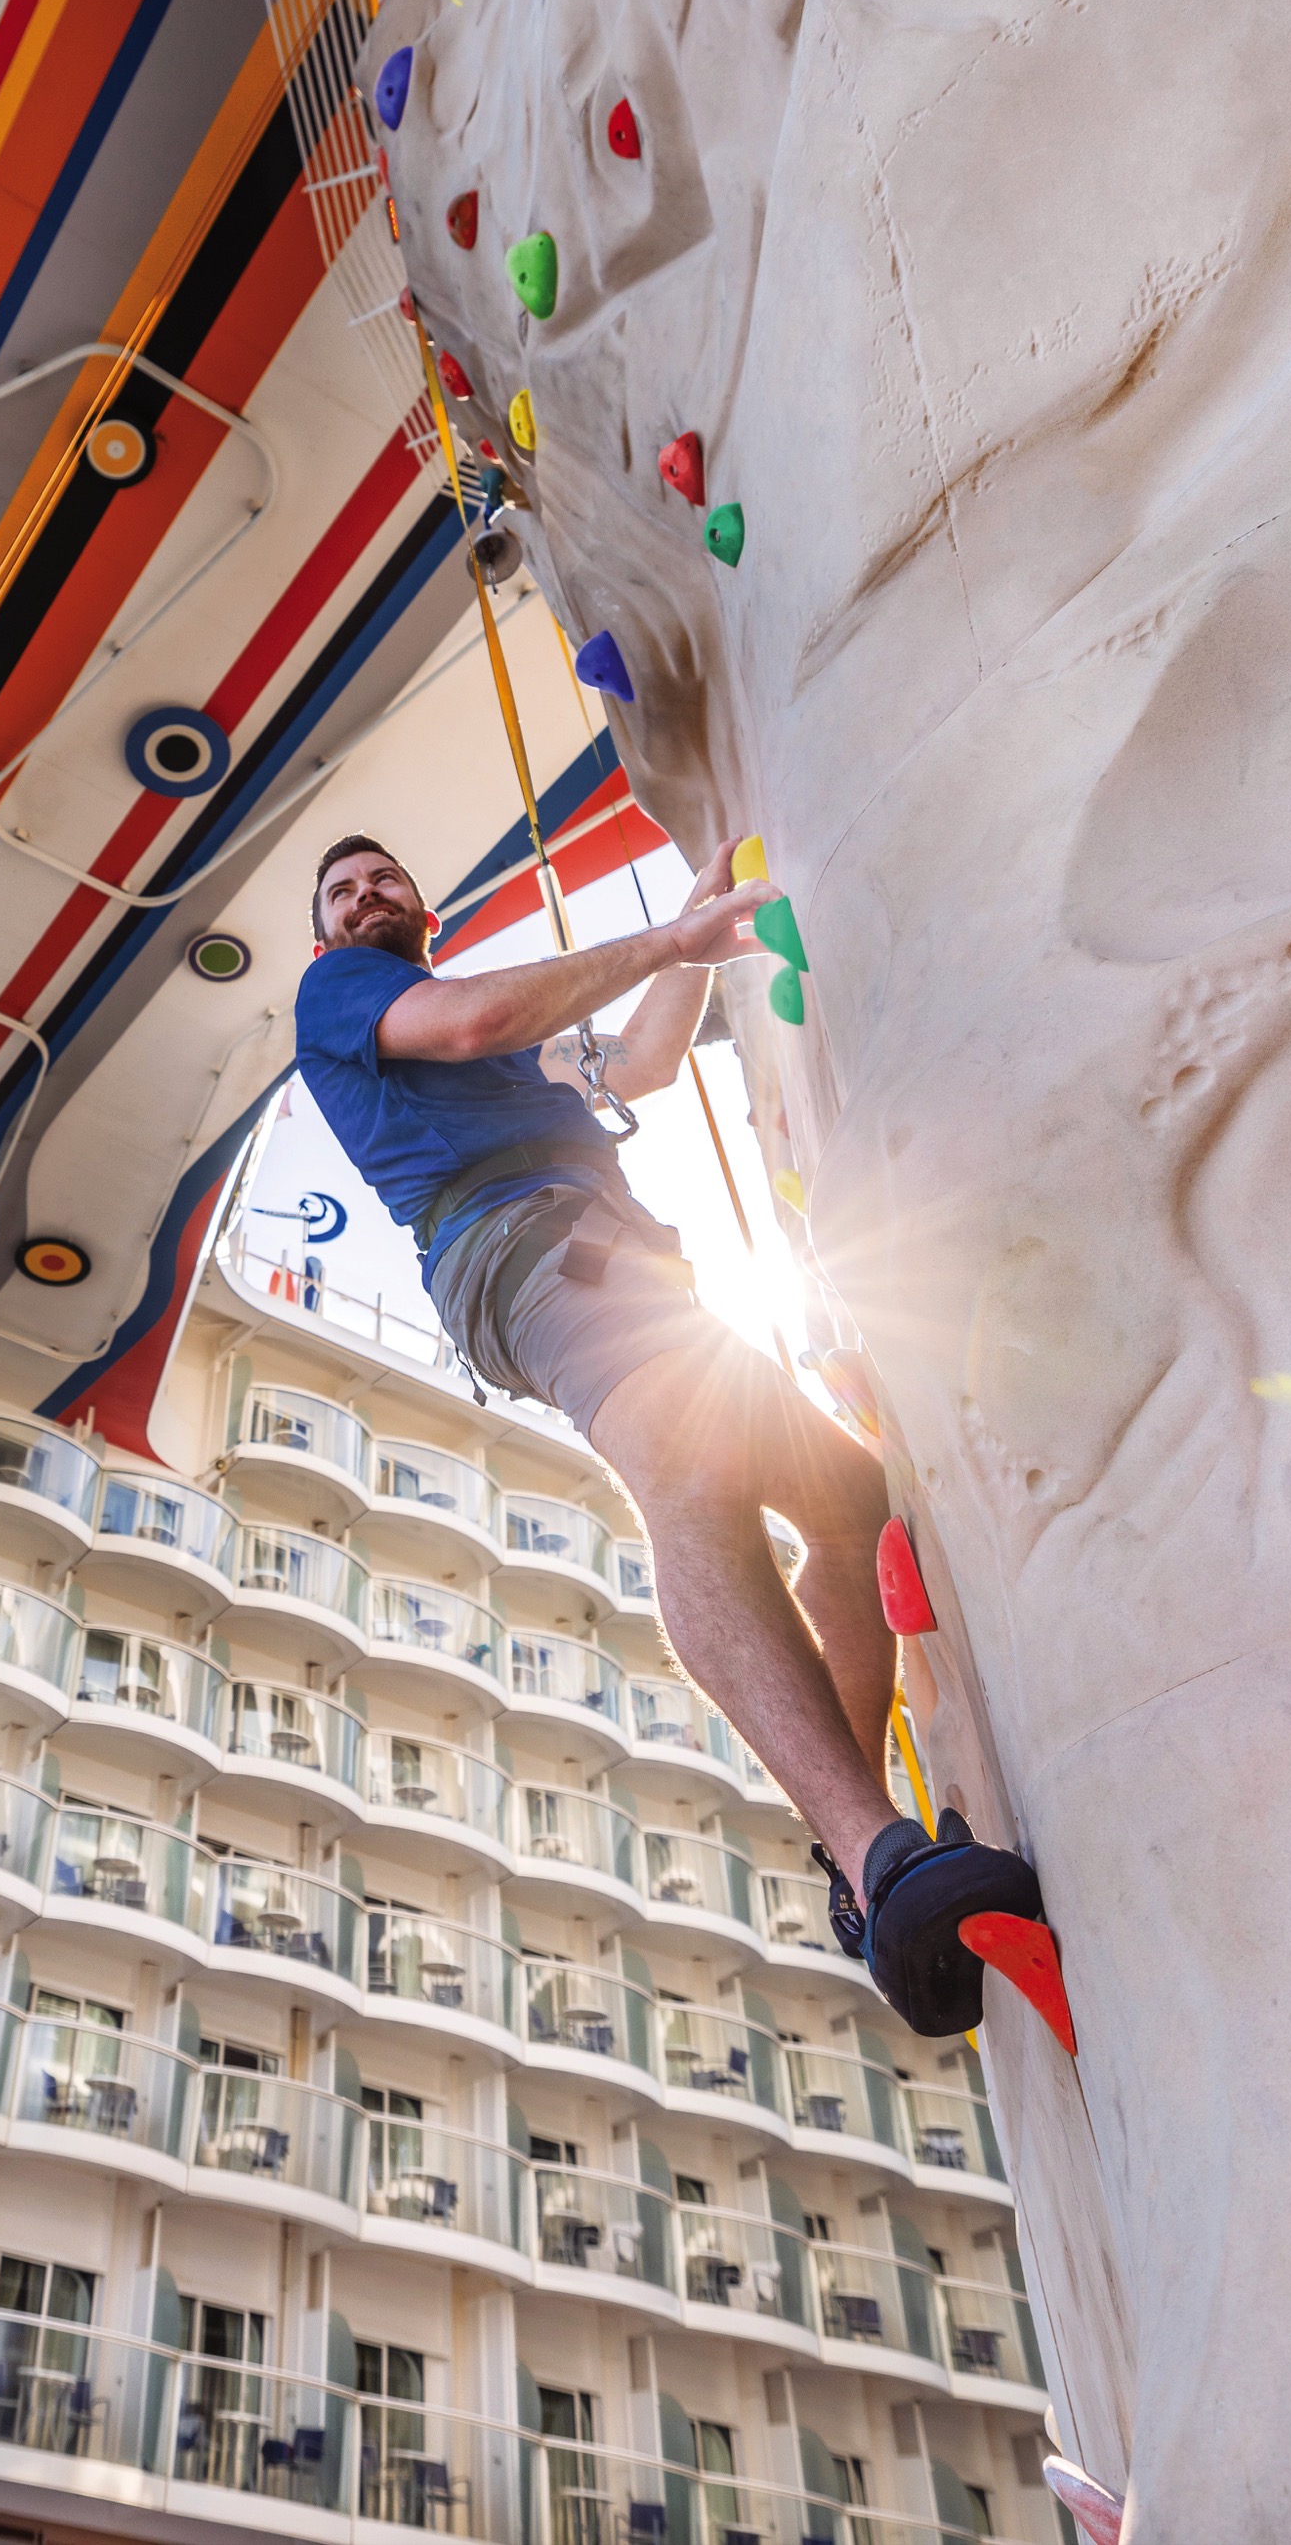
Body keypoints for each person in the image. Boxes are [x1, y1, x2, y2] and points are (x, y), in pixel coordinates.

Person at [291, 833, 1056, 2038]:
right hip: (519, 1251)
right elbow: (459, 1021)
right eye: (342, 892)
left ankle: (864, 1865)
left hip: (618, 1257)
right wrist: (661, 938)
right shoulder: (349, 995)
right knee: (692, 1475)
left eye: (383, 876)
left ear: (421, 902)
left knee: (848, 1500)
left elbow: (638, 1062)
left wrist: (692, 931)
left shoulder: (521, 1047)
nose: (367, 893)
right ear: (327, 935)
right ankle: (880, 1860)